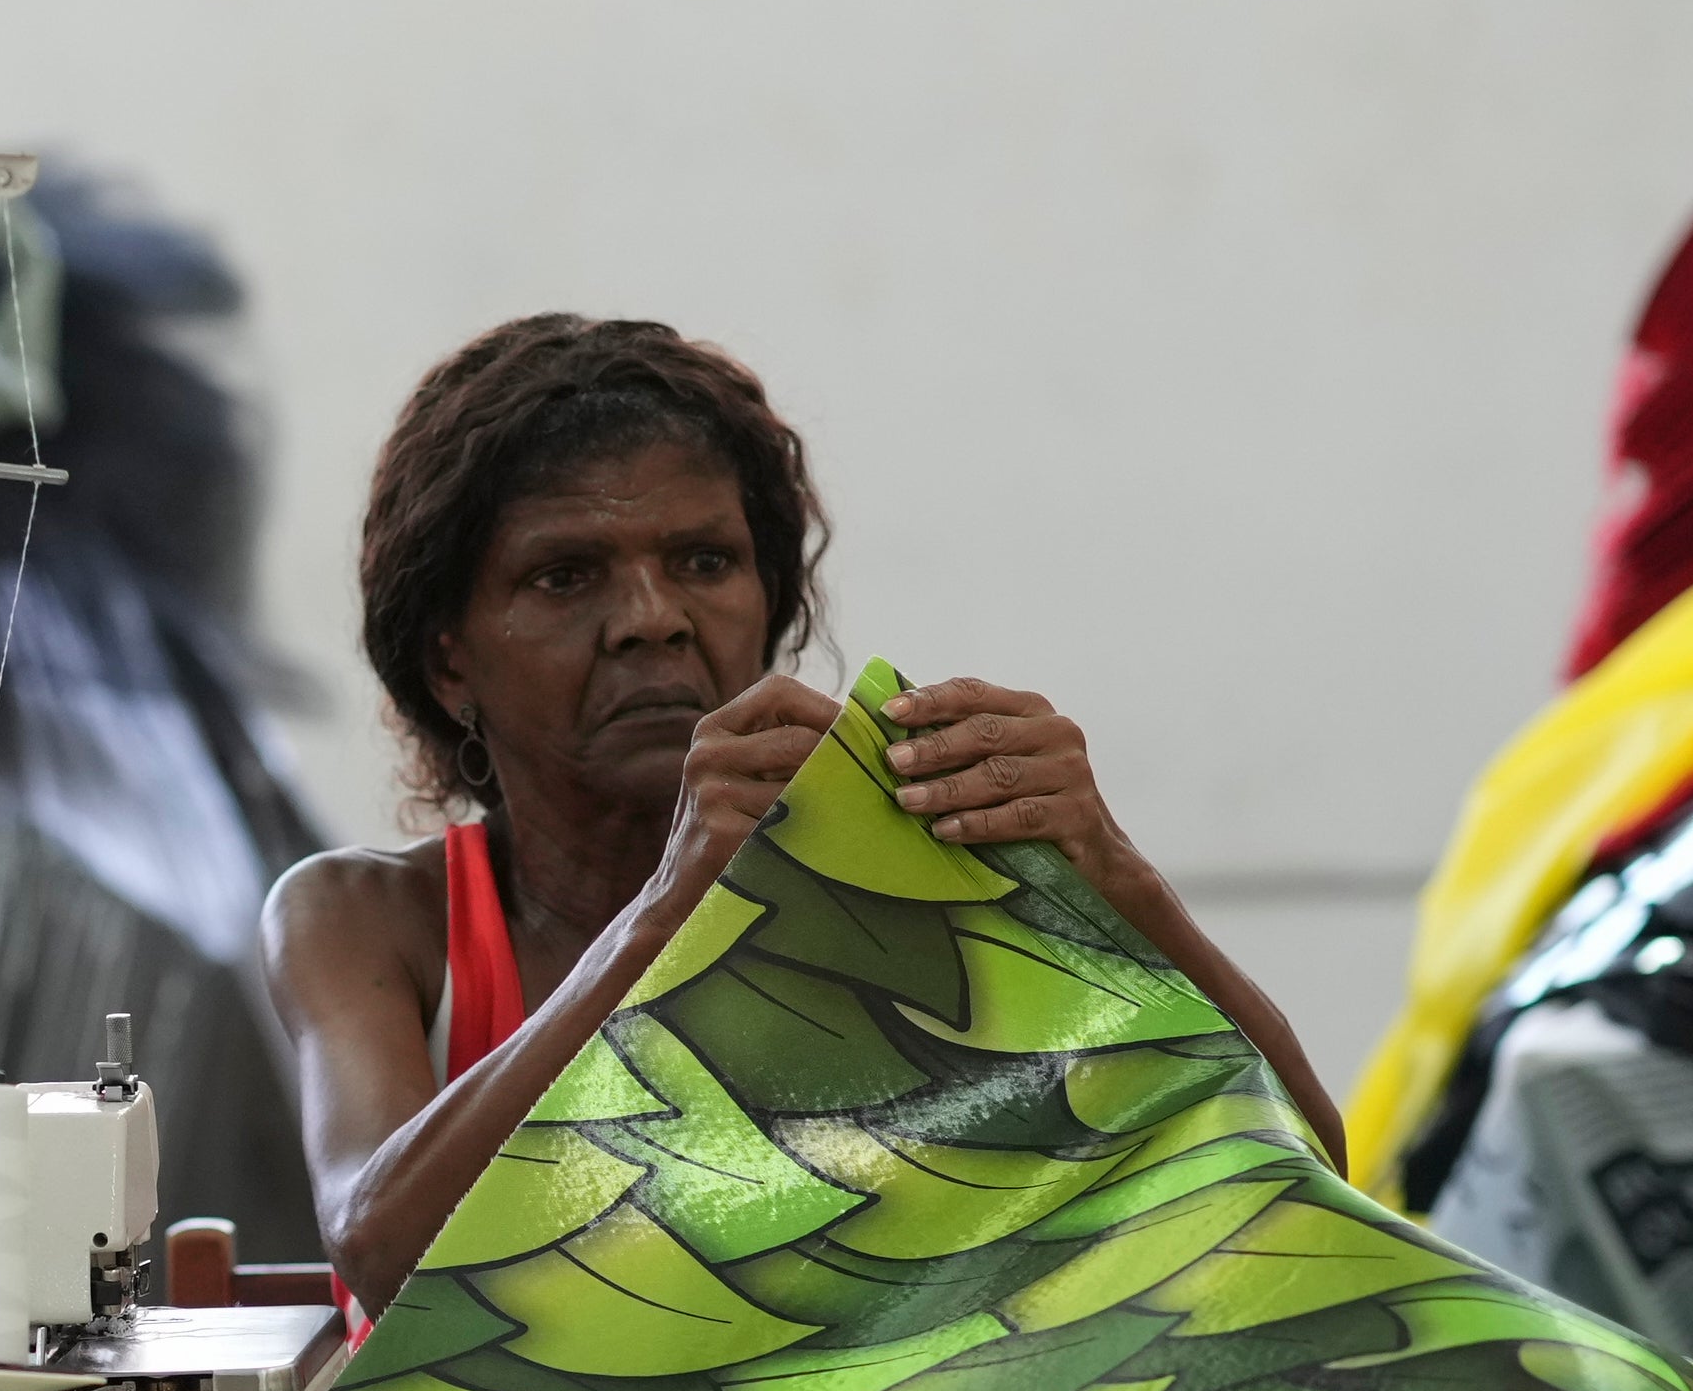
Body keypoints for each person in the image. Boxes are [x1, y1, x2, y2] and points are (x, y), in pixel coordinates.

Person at [263, 315, 1338, 1314]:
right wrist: (670, 910)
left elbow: (1307, 1170)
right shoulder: (362, 917)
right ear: (449, 659)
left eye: (705, 563)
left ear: (770, 608)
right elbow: (381, 1245)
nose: (651, 620)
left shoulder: (912, 885)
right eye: (563, 576)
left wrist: (1112, 873)